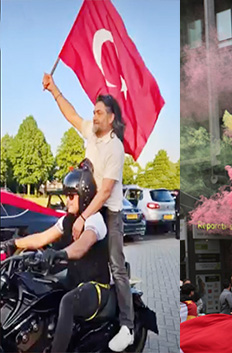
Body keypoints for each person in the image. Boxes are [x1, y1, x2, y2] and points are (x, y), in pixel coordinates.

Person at [43, 73, 133, 351]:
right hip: (88, 207)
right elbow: (70, 114)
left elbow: (105, 192)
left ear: (110, 118)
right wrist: (53, 89)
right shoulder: (91, 135)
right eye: (93, 112)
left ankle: (127, 326)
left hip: (109, 213)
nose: (92, 116)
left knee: (116, 267)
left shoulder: (115, 147)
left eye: (98, 113)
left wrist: (83, 218)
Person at [0, 161, 111, 353]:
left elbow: (82, 246)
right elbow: (43, 237)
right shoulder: (67, 220)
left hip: (95, 286)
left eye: (70, 196)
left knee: (67, 303)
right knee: (43, 290)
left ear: (84, 195)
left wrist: (59, 253)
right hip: (74, 281)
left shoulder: (95, 220)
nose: (66, 200)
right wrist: (13, 244)